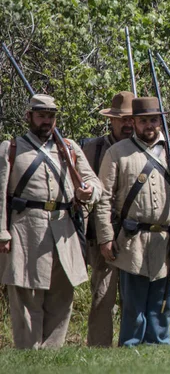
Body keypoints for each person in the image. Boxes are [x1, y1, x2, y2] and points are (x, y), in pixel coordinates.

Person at [94, 97, 170, 346]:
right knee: (133, 307)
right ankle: (131, 349)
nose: (149, 125)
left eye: (154, 120)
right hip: (133, 241)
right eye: (144, 121)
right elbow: (103, 199)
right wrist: (106, 237)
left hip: (168, 240)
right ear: (134, 122)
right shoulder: (117, 153)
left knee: (162, 306)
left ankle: (158, 350)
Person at [0, 94, 100, 349]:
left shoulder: (69, 148)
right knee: (26, 293)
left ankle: (52, 351)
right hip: (26, 228)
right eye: (42, 115)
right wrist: (2, 231)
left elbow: (94, 183)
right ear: (29, 116)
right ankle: (28, 350)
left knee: (62, 293)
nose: (47, 121)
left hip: (63, 227)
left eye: (51, 116)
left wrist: (88, 191)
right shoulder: (11, 148)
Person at [83, 91, 134, 347]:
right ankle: (98, 349)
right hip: (102, 233)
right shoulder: (92, 149)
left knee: (133, 298)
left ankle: (131, 348)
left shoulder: (144, 148)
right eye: (121, 119)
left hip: (135, 235)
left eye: (130, 119)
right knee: (102, 297)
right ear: (111, 121)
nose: (126, 124)